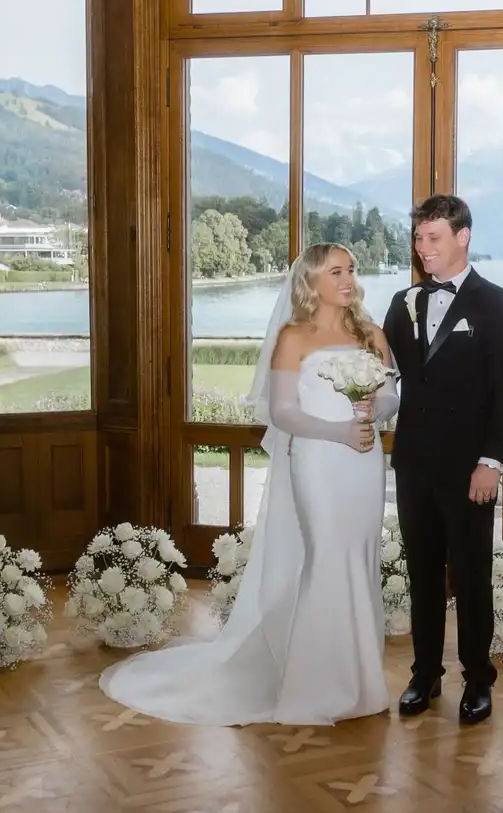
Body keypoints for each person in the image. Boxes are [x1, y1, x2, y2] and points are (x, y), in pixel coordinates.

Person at [101, 243, 399, 725]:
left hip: (363, 464)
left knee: (359, 559)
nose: (348, 280)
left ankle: (361, 681)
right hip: (317, 462)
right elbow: (282, 412)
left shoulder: (370, 333)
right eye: (336, 272)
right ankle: (316, 687)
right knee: (325, 558)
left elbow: (391, 395)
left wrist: (374, 409)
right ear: (311, 281)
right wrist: (338, 432)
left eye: (350, 270)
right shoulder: (293, 337)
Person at [382, 195, 503, 724]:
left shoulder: (499, 303)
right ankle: (424, 675)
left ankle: (478, 679)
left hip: (470, 469)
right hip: (414, 465)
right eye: (418, 239)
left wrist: (492, 461)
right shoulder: (402, 303)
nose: (423, 249)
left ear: (463, 237)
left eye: (434, 238)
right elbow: (383, 371)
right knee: (421, 573)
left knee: (470, 576)